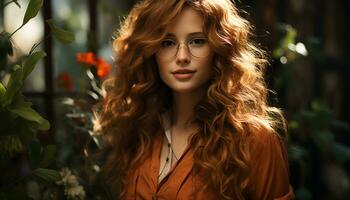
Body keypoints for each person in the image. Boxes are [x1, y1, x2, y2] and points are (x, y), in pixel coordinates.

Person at [97, 0, 294, 199]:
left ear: (219, 47)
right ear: (152, 51)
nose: (182, 56)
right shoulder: (140, 132)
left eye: (197, 41)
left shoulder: (255, 140)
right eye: (168, 42)